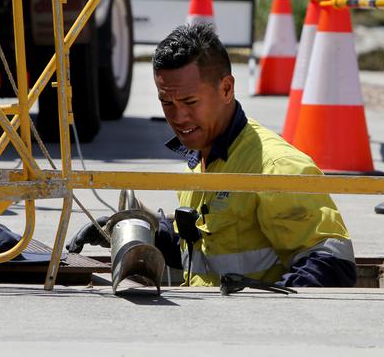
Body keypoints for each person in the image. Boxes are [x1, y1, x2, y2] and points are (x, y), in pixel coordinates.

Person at [68, 23, 356, 288]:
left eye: (190, 101)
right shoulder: (201, 160)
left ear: (226, 89)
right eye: (166, 102)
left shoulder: (277, 168)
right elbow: (202, 252)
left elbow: (332, 265)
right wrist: (141, 234)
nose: (178, 116)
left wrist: (267, 316)